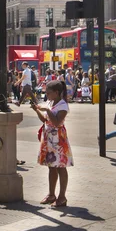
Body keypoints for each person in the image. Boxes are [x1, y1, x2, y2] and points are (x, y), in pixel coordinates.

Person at [32, 79, 73, 207]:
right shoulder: (50, 102)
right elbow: (45, 119)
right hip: (49, 137)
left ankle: (62, 197)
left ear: (56, 92)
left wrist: (48, 110)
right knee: (51, 166)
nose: (46, 95)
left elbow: (56, 122)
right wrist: (37, 110)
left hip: (58, 139)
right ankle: (51, 194)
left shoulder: (63, 106)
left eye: (48, 93)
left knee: (61, 167)